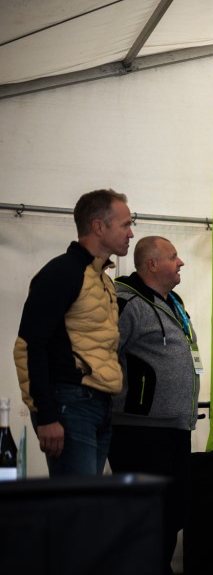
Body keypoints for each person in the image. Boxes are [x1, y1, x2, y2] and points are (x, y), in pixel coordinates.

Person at [107, 236, 204, 575]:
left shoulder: (172, 302)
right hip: (139, 431)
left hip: (174, 427)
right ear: (151, 264)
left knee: (172, 512)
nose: (181, 263)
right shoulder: (126, 302)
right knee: (145, 516)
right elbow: (104, 355)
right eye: (173, 257)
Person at [13, 188, 134, 476]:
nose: (131, 233)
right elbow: (29, 345)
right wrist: (46, 415)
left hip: (99, 404)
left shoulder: (103, 279)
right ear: (99, 226)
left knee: (86, 499)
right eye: (125, 225)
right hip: (70, 403)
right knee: (76, 500)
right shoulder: (63, 272)